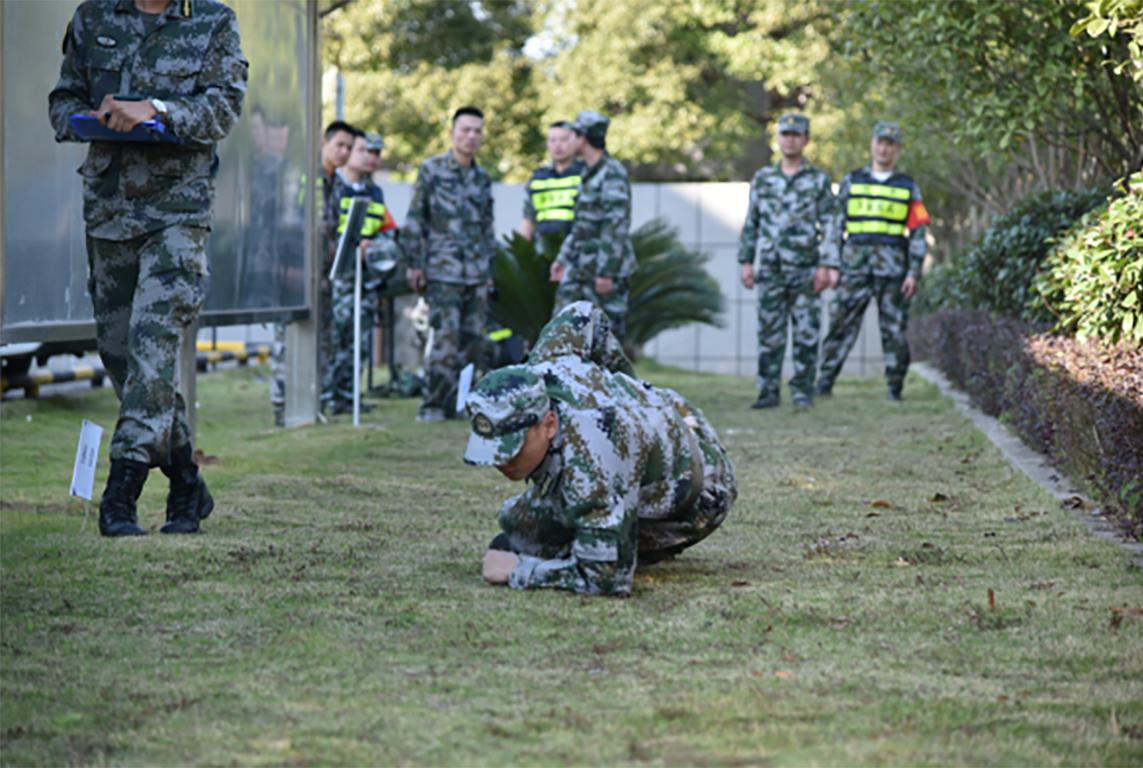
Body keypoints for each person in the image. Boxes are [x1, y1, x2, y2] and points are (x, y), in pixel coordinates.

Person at [48, 0, 247, 536]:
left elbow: (224, 108)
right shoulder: (93, 18)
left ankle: (122, 491)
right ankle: (187, 481)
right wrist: (84, 120)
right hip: (109, 211)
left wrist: (156, 109)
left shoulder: (212, 21)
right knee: (124, 358)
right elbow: (63, 97)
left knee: (152, 344)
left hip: (178, 214)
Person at [465, 302, 737, 597]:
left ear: (549, 423)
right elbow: (585, 313)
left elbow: (607, 580)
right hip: (662, 413)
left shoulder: (592, 462)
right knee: (515, 525)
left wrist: (519, 571)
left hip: (701, 483)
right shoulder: (544, 362)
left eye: (512, 447)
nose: (501, 460)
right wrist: (625, 386)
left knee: (561, 543)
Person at [816, 121, 931, 401]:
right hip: (854, 267)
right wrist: (831, 265)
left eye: (890, 144)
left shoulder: (907, 187)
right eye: (880, 142)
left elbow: (919, 232)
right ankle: (824, 384)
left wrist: (914, 272)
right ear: (872, 144)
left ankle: (895, 388)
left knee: (894, 331)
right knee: (840, 326)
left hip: (893, 270)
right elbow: (834, 225)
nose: (883, 148)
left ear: (897, 149)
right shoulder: (852, 181)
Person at [404, 106, 497, 422]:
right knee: (444, 341)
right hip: (443, 272)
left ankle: (460, 404)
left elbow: (487, 227)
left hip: (476, 274)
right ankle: (432, 405)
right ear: (452, 133)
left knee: (472, 343)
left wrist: (489, 271)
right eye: (465, 130)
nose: (471, 136)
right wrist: (414, 265)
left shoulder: (482, 178)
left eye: (477, 131)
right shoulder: (432, 171)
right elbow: (416, 219)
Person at [737, 113, 835, 410]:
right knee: (769, 333)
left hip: (805, 269)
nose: (790, 139)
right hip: (770, 268)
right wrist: (746, 261)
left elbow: (830, 223)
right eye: (785, 134)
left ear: (805, 140)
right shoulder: (764, 179)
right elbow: (751, 222)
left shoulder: (817, 180)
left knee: (807, 334)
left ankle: (803, 391)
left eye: (796, 134)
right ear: (778, 138)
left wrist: (827, 265)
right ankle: (767, 391)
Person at [270, 119, 358, 425]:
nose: (344, 152)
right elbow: (285, 227)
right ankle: (282, 408)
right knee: (288, 342)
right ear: (325, 143)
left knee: (322, 344)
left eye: (349, 147)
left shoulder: (341, 187)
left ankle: (310, 406)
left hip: (324, 278)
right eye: (340, 145)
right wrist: (287, 268)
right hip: (295, 275)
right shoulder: (303, 178)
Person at [326, 131, 400, 414]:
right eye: (365, 151)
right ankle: (327, 396)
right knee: (336, 337)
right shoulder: (332, 187)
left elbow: (389, 232)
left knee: (361, 340)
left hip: (365, 280)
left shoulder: (375, 193)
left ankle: (348, 397)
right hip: (337, 278)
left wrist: (375, 246)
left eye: (377, 153)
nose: (372, 157)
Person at [549, 111, 637, 342]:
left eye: (573, 135)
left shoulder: (612, 173)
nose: (568, 140)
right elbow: (581, 224)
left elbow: (616, 225)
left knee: (604, 339)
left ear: (583, 138)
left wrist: (606, 272)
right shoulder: (587, 172)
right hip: (579, 268)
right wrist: (562, 259)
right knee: (562, 330)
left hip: (603, 270)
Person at [520, 121, 585, 255]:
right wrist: (521, 251)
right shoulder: (538, 178)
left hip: (577, 251)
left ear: (575, 142)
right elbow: (529, 219)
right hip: (543, 251)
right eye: (553, 140)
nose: (558, 145)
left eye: (563, 139)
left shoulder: (586, 175)